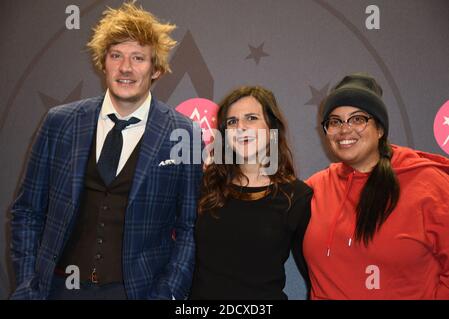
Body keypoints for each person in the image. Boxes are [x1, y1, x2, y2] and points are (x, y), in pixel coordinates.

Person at [10, 2, 202, 300]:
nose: (126, 68)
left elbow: (189, 228)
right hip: (59, 289)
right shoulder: (60, 122)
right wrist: (26, 287)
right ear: (103, 63)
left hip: (137, 292)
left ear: (157, 70)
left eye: (138, 58)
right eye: (117, 56)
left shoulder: (184, 133)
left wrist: (166, 294)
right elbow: (27, 211)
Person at [304, 72, 449, 299]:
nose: (344, 129)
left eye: (358, 119)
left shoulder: (429, 183)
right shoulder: (316, 187)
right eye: (335, 121)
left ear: (380, 129)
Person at [189, 86, 313, 300]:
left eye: (251, 118)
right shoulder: (203, 186)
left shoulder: (296, 196)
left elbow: (317, 273)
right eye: (232, 122)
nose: (241, 128)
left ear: (272, 128)